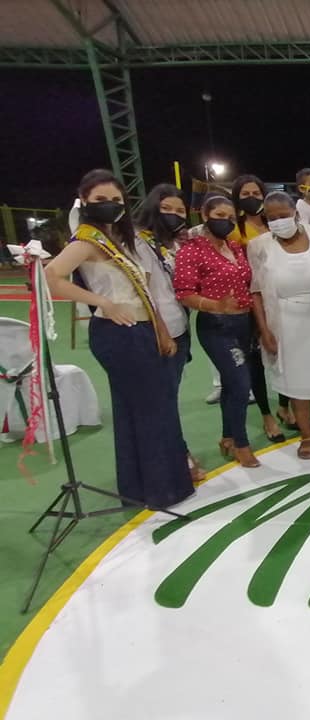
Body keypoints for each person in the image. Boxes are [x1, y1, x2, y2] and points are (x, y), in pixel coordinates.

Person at [45, 169, 193, 508]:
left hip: (139, 331)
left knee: (139, 410)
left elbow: (144, 291)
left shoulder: (115, 239)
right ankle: (160, 489)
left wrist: (160, 330)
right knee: (151, 410)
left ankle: (143, 488)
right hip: (119, 333)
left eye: (116, 199)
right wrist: (103, 303)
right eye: (100, 199)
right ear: (84, 202)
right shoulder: (87, 240)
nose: (109, 205)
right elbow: (51, 276)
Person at [248, 192, 310, 460]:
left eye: (283, 215)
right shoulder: (258, 245)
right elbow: (256, 291)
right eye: (272, 218)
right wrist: (264, 330)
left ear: (296, 214)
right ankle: (306, 435)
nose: (278, 221)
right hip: (285, 321)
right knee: (298, 382)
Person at [174, 195, 261, 468]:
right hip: (217, 325)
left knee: (232, 383)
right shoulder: (191, 250)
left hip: (244, 323)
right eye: (220, 216)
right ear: (205, 215)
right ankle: (242, 444)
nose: (227, 222)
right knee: (241, 384)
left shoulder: (234, 247)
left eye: (231, 218)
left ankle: (228, 437)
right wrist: (216, 305)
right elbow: (184, 292)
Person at [132, 183, 205, 483]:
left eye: (179, 210)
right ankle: (176, 459)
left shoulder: (173, 244)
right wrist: (162, 333)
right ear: (153, 208)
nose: (174, 215)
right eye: (167, 209)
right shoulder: (139, 242)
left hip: (179, 328)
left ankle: (172, 457)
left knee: (167, 399)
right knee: (160, 402)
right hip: (159, 332)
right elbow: (144, 293)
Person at [231, 174, 285, 444]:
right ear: (237, 198)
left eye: (256, 193)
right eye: (245, 194)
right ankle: (266, 415)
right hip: (249, 301)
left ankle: (285, 406)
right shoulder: (234, 230)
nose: (251, 198)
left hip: (278, 298)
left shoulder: (275, 225)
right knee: (255, 361)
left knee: (284, 351)